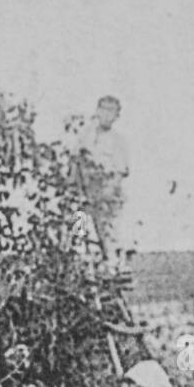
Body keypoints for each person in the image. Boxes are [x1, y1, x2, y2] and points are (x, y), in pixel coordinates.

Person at [73, 95, 130, 263]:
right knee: (80, 223)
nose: (106, 115)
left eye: (111, 111)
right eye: (103, 110)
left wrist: (106, 194)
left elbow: (120, 172)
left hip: (107, 193)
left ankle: (112, 265)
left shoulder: (118, 141)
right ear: (97, 111)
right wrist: (79, 189)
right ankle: (81, 260)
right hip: (86, 190)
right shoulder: (85, 136)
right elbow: (76, 161)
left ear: (117, 116)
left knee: (107, 233)